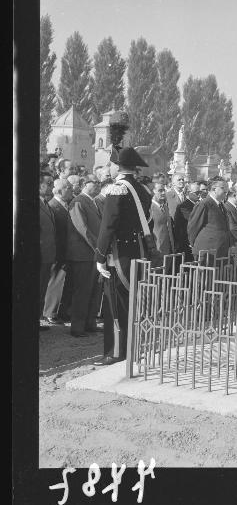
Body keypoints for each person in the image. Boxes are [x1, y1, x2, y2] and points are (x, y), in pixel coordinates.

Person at [94, 146, 152, 366]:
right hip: (137, 252)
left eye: (109, 164)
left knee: (115, 306)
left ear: (117, 166)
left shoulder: (117, 189)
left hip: (118, 255)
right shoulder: (142, 189)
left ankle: (116, 352)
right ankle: (132, 347)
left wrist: (100, 256)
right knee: (132, 303)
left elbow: (107, 227)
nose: (108, 167)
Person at [66, 174, 102, 337]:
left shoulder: (92, 202)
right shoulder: (78, 202)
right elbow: (83, 229)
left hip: (92, 254)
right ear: (83, 184)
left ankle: (89, 323)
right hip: (83, 254)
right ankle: (77, 327)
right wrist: (99, 247)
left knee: (94, 290)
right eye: (95, 182)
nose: (98, 185)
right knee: (82, 291)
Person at [43, 178, 74, 324]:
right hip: (58, 250)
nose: (71, 190)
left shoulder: (65, 205)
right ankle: (50, 312)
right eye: (69, 187)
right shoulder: (53, 206)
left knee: (63, 282)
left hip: (66, 249)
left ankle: (60, 311)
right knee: (55, 281)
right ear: (60, 190)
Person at [187, 178, 232, 262]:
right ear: (214, 189)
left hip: (220, 251)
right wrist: (194, 245)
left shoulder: (221, 204)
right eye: (223, 188)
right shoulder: (204, 204)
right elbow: (193, 227)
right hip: (207, 252)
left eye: (227, 188)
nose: (226, 191)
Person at [39, 172, 55, 331]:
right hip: (39, 256)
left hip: (47, 255)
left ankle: (37, 320)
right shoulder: (34, 204)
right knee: (37, 289)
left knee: (42, 288)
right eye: (48, 183)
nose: (51, 186)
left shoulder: (45, 203)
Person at [174, 182, 202, 258]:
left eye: (200, 192)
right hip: (185, 243)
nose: (199, 194)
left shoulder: (198, 204)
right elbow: (194, 220)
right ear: (189, 193)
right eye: (197, 192)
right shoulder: (184, 206)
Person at [149, 183, 175, 256]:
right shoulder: (150, 208)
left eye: (164, 190)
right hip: (156, 250)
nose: (163, 193)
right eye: (160, 190)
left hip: (168, 248)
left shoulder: (165, 207)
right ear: (153, 191)